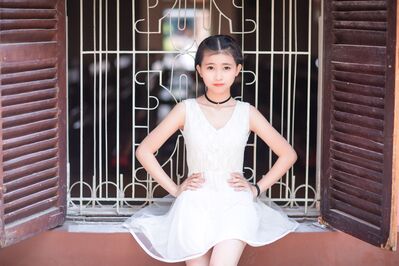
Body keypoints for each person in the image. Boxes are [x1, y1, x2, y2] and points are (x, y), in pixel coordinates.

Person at [122, 34, 299, 266]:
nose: (218, 75)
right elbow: (144, 151)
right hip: (194, 204)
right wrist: (176, 190)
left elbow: (288, 154)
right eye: (211, 67)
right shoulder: (186, 110)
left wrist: (256, 189)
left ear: (237, 70)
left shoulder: (247, 112)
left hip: (235, 203)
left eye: (226, 67)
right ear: (199, 70)